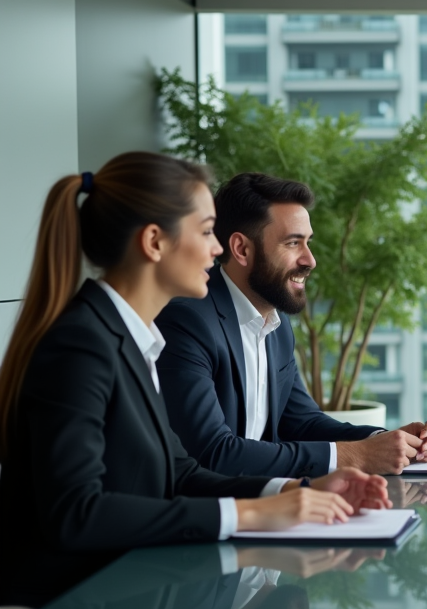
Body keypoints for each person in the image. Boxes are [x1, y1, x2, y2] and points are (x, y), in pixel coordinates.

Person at [0, 153, 391, 576]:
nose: (218, 248)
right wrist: (250, 516)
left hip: (126, 605)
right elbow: (77, 513)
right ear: (154, 242)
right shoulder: (82, 345)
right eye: (206, 231)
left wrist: (298, 490)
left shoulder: (131, 339)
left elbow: (180, 473)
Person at [156, 172, 427, 479]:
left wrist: (385, 441)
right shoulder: (187, 320)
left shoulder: (276, 326)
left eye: (308, 242)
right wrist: (356, 456)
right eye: (293, 243)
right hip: (209, 517)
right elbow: (212, 453)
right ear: (241, 249)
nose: (310, 260)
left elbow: (301, 422)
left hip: (270, 504)